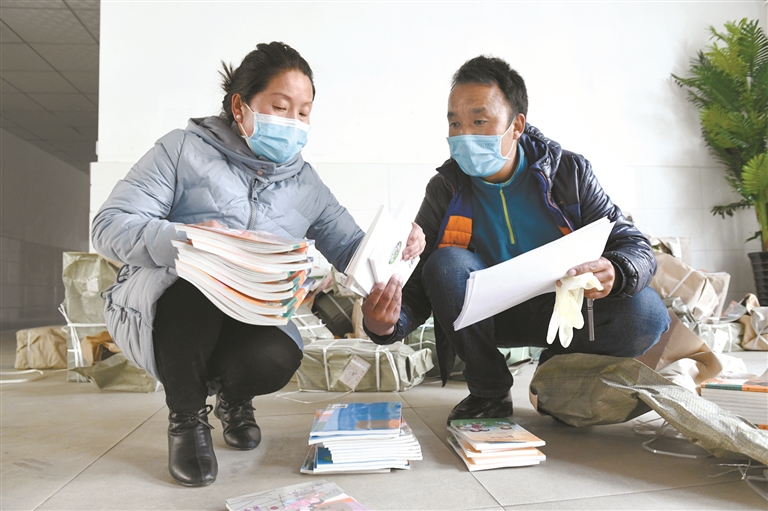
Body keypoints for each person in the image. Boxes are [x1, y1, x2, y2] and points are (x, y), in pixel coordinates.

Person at [91, 42, 424, 487]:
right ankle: (186, 420)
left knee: (278, 354)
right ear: (240, 107)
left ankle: (234, 399)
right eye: (280, 108)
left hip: (252, 310)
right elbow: (109, 226)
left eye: (303, 113)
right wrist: (190, 241)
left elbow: (352, 249)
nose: (293, 123)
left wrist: (400, 246)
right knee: (196, 288)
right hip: (169, 306)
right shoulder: (180, 150)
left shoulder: (305, 184)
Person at [361, 55, 670, 424]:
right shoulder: (446, 189)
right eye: (455, 123)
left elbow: (633, 244)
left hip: (566, 309)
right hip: (491, 317)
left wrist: (616, 270)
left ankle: (558, 372)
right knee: (445, 263)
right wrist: (386, 324)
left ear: (516, 126)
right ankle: (489, 391)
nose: (464, 135)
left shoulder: (569, 173)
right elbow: (419, 285)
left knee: (647, 313)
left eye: (479, 121)